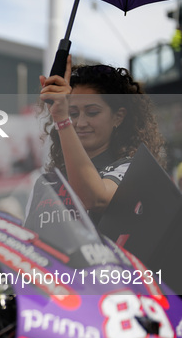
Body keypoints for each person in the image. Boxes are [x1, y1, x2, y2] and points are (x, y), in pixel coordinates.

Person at [25, 56, 166, 228]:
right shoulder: (47, 182)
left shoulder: (132, 170)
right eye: (73, 114)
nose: (81, 123)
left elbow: (95, 198)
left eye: (92, 112)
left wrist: (62, 119)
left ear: (118, 117)